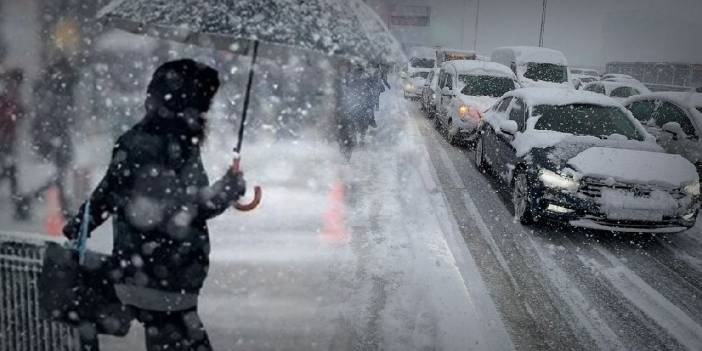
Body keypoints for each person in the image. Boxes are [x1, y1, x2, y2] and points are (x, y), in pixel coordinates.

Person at [62, 59, 247, 351]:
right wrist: (226, 191)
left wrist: (79, 224)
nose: (205, 113)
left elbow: (108, 194)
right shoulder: (161, 144)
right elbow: (178, 209)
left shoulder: (144, 139)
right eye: (202, 104)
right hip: (163, 277)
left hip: (149, 275)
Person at [31, 54, 79, 216]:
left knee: (61, 173)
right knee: (60, 173)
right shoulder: (56, 90)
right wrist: (52, 136)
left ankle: (31, 197)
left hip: (60, 137)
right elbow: (52, 115)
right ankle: (61, 204)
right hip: (58, 138)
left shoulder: (60, 88)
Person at [0, 68, 26, 219]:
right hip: (5, 139)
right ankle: (19, 205)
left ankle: (19, 205)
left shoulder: (10, 92)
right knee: (10, 172)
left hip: (7, 138)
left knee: (10, 172)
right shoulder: (9, 93)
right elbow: (9, 114)